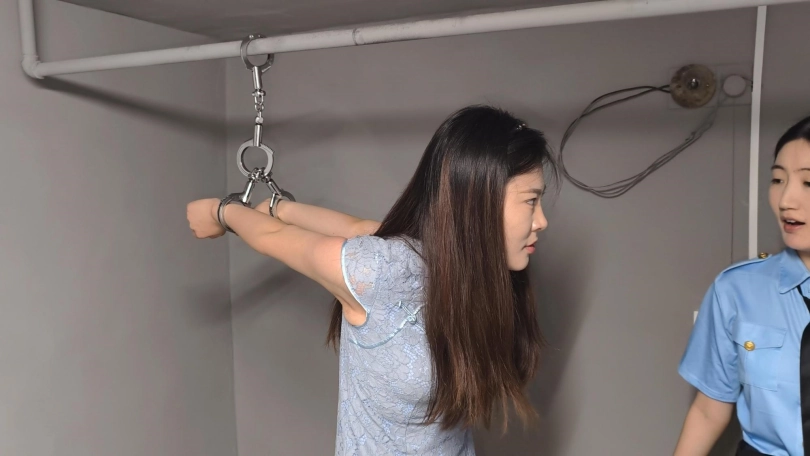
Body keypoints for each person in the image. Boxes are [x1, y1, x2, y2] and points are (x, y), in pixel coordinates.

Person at [186, 105, 556, 455]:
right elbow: (274, 237)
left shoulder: (468, 272)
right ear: (478, 201)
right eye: (530, 201)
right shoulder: (381, 270)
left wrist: (279, 207)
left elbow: (361, 228)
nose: (541, 221)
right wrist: (220, 212)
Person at [674, 115, 810, 456]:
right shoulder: (737, 290)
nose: (786, 200)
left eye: (808, 182)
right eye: (778, 180)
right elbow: (708, 410)